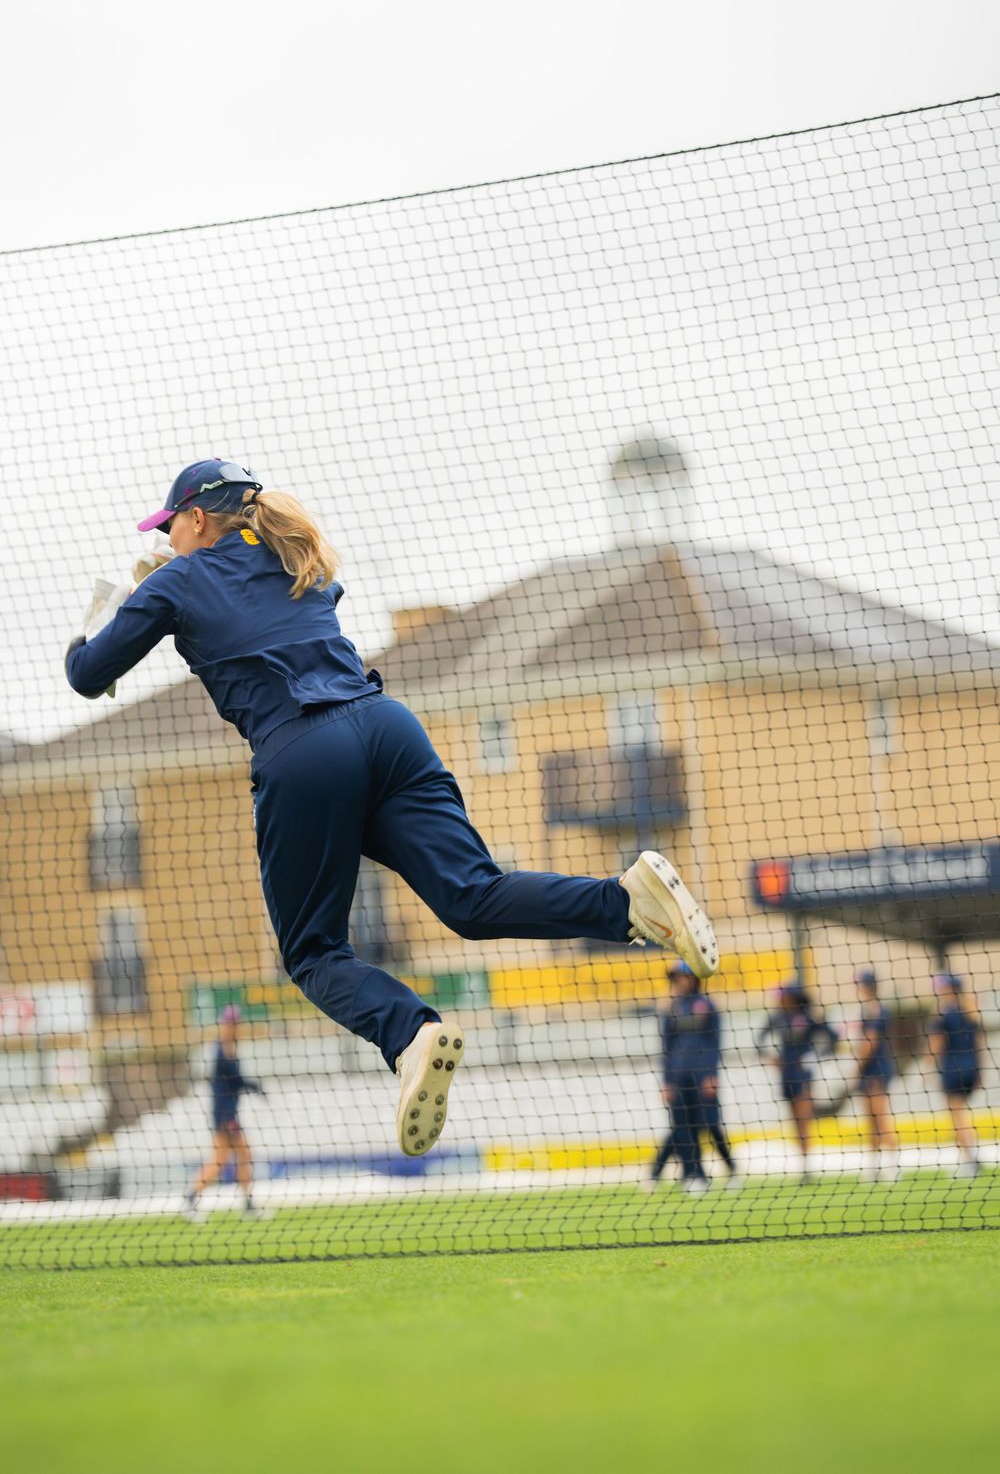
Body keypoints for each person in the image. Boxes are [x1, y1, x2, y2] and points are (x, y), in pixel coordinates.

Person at [66, 459, 719, 1156]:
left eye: (172, 527)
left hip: (304, 753)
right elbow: (248, 602)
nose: (168, 539)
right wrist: (164, 586)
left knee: (314, 953)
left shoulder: (176, 579)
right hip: (386, 728)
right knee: (473, 896)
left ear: (195, 518)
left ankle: (409, 1031)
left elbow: (87, 674)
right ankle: (626, 902)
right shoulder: (295, 556)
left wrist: (118, 609)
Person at [647, 961, 733, 1193]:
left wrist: (712, 1075)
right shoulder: (671, 1009)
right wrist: (666, 1081)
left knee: (708, 1123)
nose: (678, 982)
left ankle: (728, 1169)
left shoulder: (707, 1006)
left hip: (702, 1077)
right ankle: (692, 1174)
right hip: (678, 1077)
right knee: (682, 1128)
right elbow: (666, 1048)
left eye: (681, 977)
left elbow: (715, 1044)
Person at [185, 1005, 263, 1217]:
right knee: (224, 1160)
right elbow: (232, 1082)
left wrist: (250, 1086)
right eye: (233, 1023)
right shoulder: (223, 1049)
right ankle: (191, 1198)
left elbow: (234, 1082)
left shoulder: (228, 1047)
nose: (236, 1027)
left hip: (227, 1114)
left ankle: (246, 1204)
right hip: (225, 1115)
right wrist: (251, 1086)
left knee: (234, 1157)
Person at [756, 982, 838, 1181]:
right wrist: (771, 1057)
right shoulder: (778, 1017)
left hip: (803, 1073)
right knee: (794, 1121)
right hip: (786, 1072)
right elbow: (760, 1039)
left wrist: (816, 1056)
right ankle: (803, 1165)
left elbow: (832, 1037)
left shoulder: (806, 1016)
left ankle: (807, 1165)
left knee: (804, 1120)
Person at [928, 970, 983, 1179]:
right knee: (963, 1114)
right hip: (970, 1067)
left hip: (952, 1068)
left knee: (957, 1116)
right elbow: (979, 1043)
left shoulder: (944, 1013)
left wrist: (928, 1067)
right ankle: (972, 1155)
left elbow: (937, 1044)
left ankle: (968, 1160)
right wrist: (979, 1071)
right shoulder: (970, 1012)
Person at [854, 968, 900, 1182]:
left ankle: (892, 1166)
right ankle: (873, 1166)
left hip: (876, 1070)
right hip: (869, 1070)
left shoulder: (877, 1009)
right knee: (870, 1119)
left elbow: (870, 1042)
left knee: (880, 1117)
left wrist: (856, 1067)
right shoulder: (866, 1009)